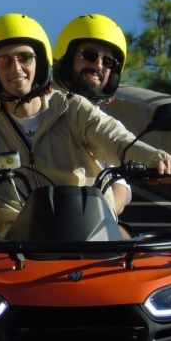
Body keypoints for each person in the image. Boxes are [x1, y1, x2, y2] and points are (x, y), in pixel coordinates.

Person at [0, 13, 171, 236]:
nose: (16, 68)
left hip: (87, 228)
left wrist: (157, 159)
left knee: (132, 261)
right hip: (18, 240)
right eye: (4, 61)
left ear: (39, 62)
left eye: (25, 58)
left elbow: (118, 141)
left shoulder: (72, 108)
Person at [53, 13, 132, 214]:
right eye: (89, 55)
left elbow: (120, 186)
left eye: (108, 62)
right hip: (33, 223)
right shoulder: (37, 110)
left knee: (124, 239)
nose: (98, 65)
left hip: (89, 224)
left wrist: (108, 214)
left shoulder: (108, 125)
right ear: (68, 58)